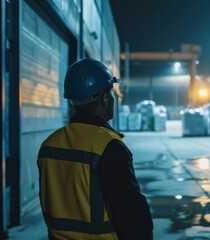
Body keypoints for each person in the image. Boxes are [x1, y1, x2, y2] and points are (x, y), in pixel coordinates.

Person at [37, 58, 153, 240]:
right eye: (111, 94)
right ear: (105, 98)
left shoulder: (49, 144)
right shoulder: (108, 147)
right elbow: (130, 214)